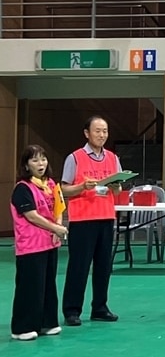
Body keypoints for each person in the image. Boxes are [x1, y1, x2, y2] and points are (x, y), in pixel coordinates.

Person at [60, 115, 120, 327]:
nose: (102, 135)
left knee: (104, 266)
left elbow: (118, 188)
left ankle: (100, 308)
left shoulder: (113, 158)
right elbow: (63, 188)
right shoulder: (74, 158)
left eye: (105, 131)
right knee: (79, 266)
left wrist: (116, 186)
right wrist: (81, 187)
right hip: (83, 219)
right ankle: (72, 310)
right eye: (97, 131)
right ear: (87, 133)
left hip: (106, 217)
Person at [11, 146, 67, 341]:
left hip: (49, 244)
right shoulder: (22, 188)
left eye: (43, 159)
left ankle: (47, 322)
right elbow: (32, 216)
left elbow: (59, 207)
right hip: (31, 246)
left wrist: (57, 228)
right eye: (35, 160)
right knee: (30, 286)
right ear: (26, 165)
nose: (40, 164)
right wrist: (54, 228)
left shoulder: (51, 184)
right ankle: (22, 327)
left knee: (48, 285)